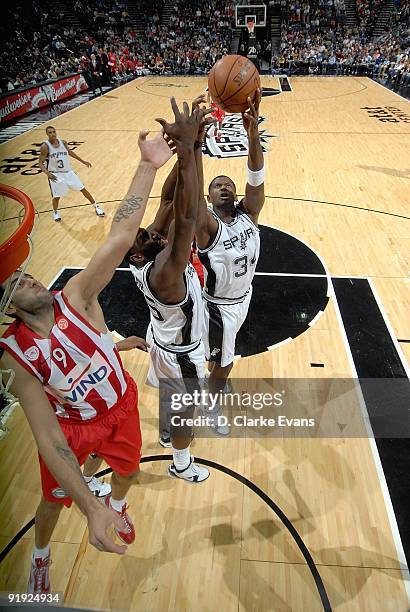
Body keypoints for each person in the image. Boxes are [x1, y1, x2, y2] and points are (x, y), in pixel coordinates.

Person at [0, 129, 174, 594]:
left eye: (27, 272)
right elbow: (49, 437)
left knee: (128, 472)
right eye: (17, 283)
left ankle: (116, 505)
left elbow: (120, 236)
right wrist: (87, 505)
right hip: (74, 429)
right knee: (53, 503)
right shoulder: (17, 358)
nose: (30, 278)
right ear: (8, 308)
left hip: (120, 405)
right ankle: (40, 554)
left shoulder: (77, 295)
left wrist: (148, 166)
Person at [126, 98, 209, 482]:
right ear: (139, 254)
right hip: (183, 354)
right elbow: (187, 214)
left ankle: (165, 426)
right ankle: (181, 462)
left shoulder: (146, 256)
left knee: (166, 395)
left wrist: (187, 151)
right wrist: (190, 151)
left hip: (161, 339)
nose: (149, 230)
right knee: (186, 410)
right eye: (143, 235)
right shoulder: (164, 273)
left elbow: (168, 200)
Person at [196, 89, 264, 400]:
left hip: (243, 296)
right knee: (224, 364)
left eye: (228, 185)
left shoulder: (249, 214)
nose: (224, 188)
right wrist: (195, 145)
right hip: (218, 307)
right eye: (217, 186)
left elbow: (255, 177)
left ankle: (213, 377)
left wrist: (253, 134)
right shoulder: (208, 225)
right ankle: (211, 403)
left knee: (222, 357)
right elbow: (192, 192)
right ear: (209, 197)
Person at [38, 126, 105, 222]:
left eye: (53, 132)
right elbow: (40, 163)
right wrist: (47, 173)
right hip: (56, 174)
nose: (52, 134)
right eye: (50, 132)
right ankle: (56, 212)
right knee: (57, 196)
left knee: (83, 189)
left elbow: (69, 152)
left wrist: (83, 161)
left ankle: (96, 206)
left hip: (68, 172)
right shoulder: (45, 147)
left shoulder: (63, 142)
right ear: (47, 134)